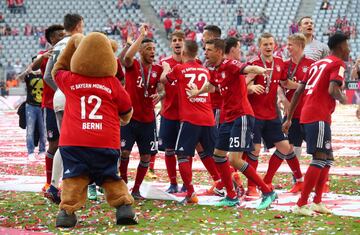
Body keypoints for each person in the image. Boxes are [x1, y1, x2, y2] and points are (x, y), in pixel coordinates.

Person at [187, 37, 279, 209]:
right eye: (205, 49)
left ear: (219, 52)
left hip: (241, 116)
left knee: (235, 160)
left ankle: (267, 191)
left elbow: (246, 68)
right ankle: (231, 196)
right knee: (219, 156)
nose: (205, 52)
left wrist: (259, 70)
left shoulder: (230, 64)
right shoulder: (214, 69)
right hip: (228, 117)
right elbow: (211, 85)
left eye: (209, 49)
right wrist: (197, 91)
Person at [282, 32, 349, 216]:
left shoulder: (317, 64)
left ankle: (317, 201)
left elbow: (299, 92)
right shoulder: (338, 64)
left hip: (308, 114)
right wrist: (345, 100)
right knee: (320, 158)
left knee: (327, 158)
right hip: (318, 115)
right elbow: (333, 89)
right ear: (341, 46)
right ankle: (301, 204)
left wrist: (289, 118)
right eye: (347, 45)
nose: (349, 49)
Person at [160, 40, 219, 204]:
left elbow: (165, 80)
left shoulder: (179, 69)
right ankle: (226, 185)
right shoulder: (205, 70)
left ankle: (191, 193)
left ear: (183, 53)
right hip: (208, 118)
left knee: (182, 155)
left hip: (190, 119)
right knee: (215, 155)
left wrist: (166, 68)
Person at [246, 33, 302, 197]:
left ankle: (295, 180)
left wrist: (302, 86)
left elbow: (284, 82)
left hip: (272, 115)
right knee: (255, 150)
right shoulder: (253, 64)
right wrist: (250, 88)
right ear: (259, 46)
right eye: (265, 44)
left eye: (271, 44)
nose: (269, 47)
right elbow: (242, 85)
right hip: (255, 115)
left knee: (285, 147)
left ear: (275, 45)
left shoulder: (279, 63)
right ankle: (251, 187)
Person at [43, 14, 84, 202]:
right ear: (78, 25)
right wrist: (71, 91)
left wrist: (61, 89)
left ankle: (54, 185)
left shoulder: (57, 46)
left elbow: (47, 76)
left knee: (66, 142)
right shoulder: (78, 41)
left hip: (60, 97)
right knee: (79, 142)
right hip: (75, 96)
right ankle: (77, 185)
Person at [120, 25, 165, 200]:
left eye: (154, 49)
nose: (152, 51)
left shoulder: (158, 69)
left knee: (146, 155)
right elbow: (126, 57)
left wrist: (160, 94)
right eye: (148, 49)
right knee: (124, 153)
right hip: (129, 118)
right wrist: (141, 37)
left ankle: (136, 189)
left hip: (148, 119)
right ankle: (123, 185)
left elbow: (163, 88)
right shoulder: (133, 65)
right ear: (141, 51)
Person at [278, 33, 316, 192]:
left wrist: (297, 86)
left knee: (315, 147)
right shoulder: (285, 64)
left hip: (307, 112)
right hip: (291, 113)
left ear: (300, 46)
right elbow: (279, 85)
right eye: (287, 44)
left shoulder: (312, 64)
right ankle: (297, 179)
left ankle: (322, 180)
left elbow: (312, 86)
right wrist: (284, 99)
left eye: (290, 44)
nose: (287, 47)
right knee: (291, 147)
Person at [16, 59, 46, 161]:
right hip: (31, 106)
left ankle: (42, 150)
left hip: (42, 106)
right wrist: (27, 71)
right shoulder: (29, 75)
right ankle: (31, 152)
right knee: (30, 130)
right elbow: (18, 79)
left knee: (43, 130)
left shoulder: (45, 74)